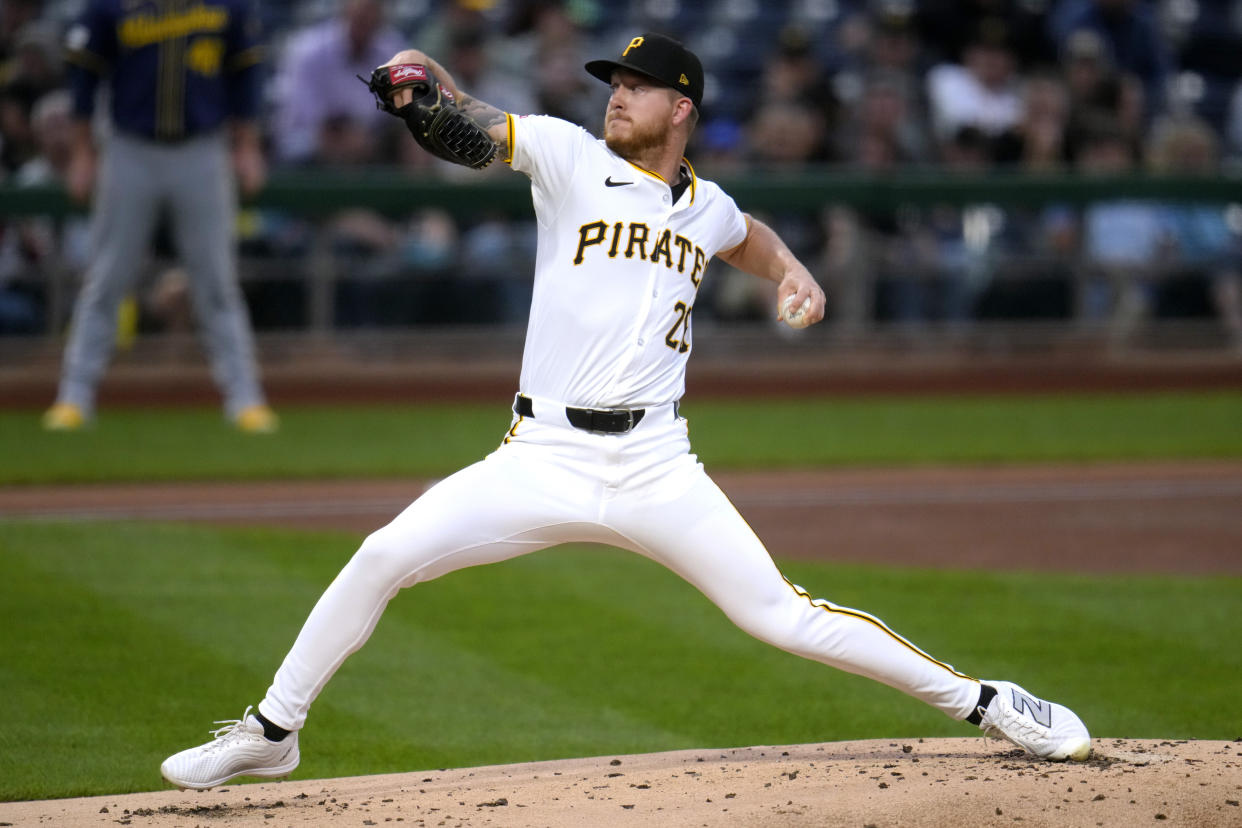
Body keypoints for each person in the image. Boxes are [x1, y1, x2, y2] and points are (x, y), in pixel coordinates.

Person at [159, 33, 1091, 792]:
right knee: (383, 554)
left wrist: (792, 270)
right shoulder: (568, 156)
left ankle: (987, 700)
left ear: (681, 108)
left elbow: (749, 235)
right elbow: (472, 131)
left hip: (657, 467)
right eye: (614, 81)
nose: (618, 95)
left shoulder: (708, 205)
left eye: (639, 87)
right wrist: (416, 100)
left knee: (784, 618)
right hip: (540, 454)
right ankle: (273, 730)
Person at [42, 0, 277, 433]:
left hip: (203, 149)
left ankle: (246, 399)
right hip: (130, 149)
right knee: (107, 277)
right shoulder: (111, 5)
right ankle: (74, 396)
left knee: (216, 281)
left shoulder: (228, 5)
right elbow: (85, 76)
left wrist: (246, 144)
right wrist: (81, 151)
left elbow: (246, 73)